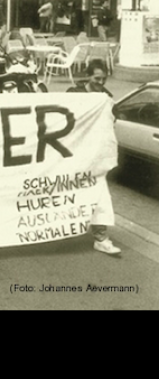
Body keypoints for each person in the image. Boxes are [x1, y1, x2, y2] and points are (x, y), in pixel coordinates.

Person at [65, 59, 121, 255]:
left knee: (99, 192)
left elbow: (111, 123)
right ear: (88, 76)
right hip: (72, 154)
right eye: (97, 78)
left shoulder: (106, 98)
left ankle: (101, 237)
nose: (101, 83)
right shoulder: (74, 94)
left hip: (93, 156)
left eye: (104, 79)